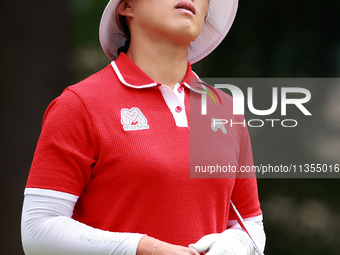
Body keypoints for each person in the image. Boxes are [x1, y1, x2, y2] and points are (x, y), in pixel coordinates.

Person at [21, 0, 266, 254]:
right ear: (127, 6)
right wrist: (144, 248)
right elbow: (37, 230)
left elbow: (250, 226)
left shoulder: (225, 111)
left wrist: (238, 243)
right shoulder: (80, 104)